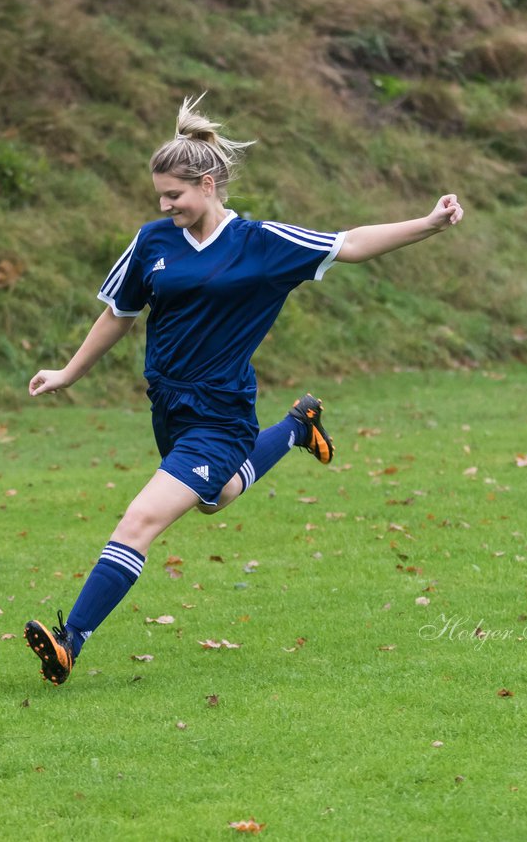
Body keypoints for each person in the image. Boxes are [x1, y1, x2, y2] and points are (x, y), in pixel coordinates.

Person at [24, 95, 464, 685]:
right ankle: (296, 428)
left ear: (206, 184)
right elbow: (118, 313)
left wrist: (429, 223)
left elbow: (350, 243)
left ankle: (70, 639)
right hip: (169, 409)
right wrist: (69, 372)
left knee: (139, 522)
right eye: (159, 194)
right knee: (217, 497)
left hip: (220, 413)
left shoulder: (261, 244)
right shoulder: (153, 242)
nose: (164, 204)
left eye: (173, 194)